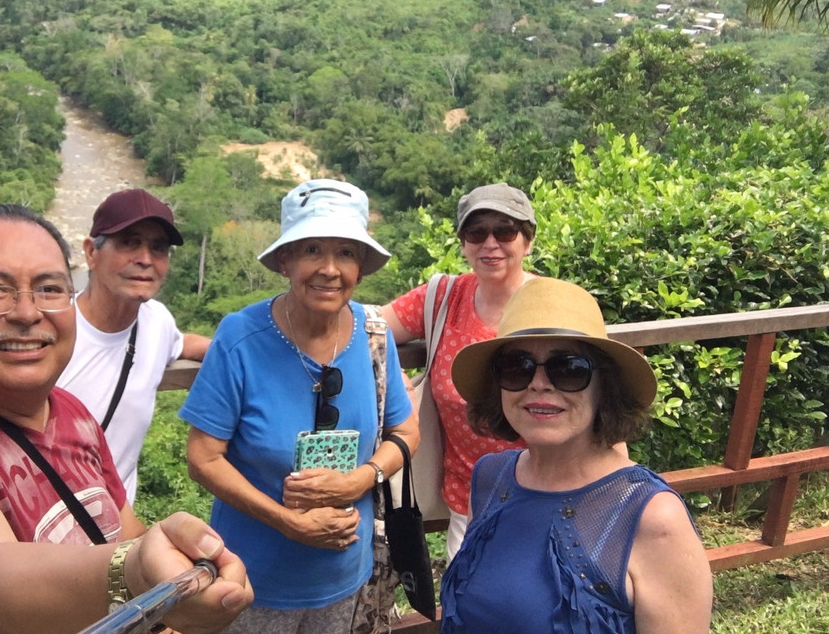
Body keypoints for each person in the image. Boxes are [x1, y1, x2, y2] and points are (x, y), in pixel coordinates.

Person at [0, 204, 251, 634]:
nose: (26, 313)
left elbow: (121, 532)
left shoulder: (69, 412)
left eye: (50, 289)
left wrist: (158, 612)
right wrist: (134, 575)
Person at [179, 179, 419, 634]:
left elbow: (406, 433)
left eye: (346, 253)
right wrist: (287, 522)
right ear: (285, 260)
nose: (329, 269)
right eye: (312, 249)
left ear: (361, 267)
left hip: (348, 578)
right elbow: (202, 457)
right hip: (252, 581)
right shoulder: (240, 338)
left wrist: (356, 482)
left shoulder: (374, 335)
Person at [440, 277, 712, 634]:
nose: (539, 383)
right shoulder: (490, 478)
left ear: (605, 386)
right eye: (517, 367)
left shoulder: (652, 517)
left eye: (568, 369)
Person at [379, 181, 536, 560]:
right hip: (466, 500)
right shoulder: (444, 298)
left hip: (546, 498)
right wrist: (397, 379)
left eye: (505, 230)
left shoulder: (550, 303)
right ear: (464, 243)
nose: (490, 243)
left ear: (527, 241)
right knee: (470, 611)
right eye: (476, 232)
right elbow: (366, 329)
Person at [57, 188, 210, 502]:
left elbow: (183, 345)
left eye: (158, 248)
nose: (145, 260)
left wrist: (253, 355)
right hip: (42, 525)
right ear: (91, 252)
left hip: (114, 526)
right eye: (129, 242)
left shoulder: (157, 321)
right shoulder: (52, 331)